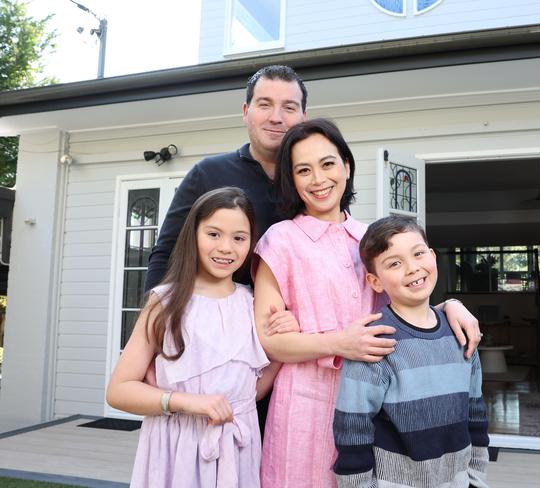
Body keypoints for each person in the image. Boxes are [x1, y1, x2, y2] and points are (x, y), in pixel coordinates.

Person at [253, 119, 482, 488]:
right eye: (303, 170)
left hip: (376, 406)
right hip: (304, 409)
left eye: (328, 164)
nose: (318, 179)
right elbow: (269, 342)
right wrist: (337, 343)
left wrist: (447, 306)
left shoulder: (369, 240)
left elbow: (405, 308)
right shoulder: (279, 242)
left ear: (346, 166)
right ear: (291, 180)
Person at [107, 187, 296, 487]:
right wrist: (186, 402)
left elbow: (249, 391)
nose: (226, 248)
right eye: (214, 234)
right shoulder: (166, 303)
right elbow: (119, 391)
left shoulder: (252, 304)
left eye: (239, 238)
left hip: (237, 448)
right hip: (174, 449)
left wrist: (286, 333)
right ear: (193, 235)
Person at [333, 215, 490, 488]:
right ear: (376, 281)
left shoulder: (462, 332)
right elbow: (352, 430)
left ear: (432, 255)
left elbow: (475, 415)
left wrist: (476, 479)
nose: (412, 268)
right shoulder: (375, 341)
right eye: (394, 263)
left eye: (418, 254)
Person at [144, 65, 308, 291]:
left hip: (299, 324)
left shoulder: (316, 183)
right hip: (218, 319)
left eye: (289, 107)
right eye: (264, 104)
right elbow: (166, 253)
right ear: (245, 111)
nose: (276, 118)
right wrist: (153, 319)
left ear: (303, 118)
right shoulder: (207, 173)